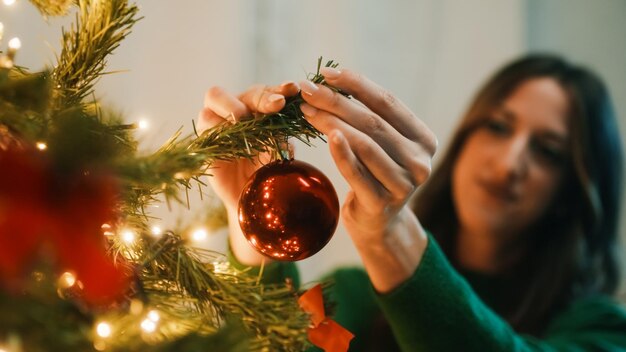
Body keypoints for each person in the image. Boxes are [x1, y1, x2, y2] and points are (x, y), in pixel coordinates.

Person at [197, 55, 626, 351]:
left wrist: (388, 235)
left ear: (573, 192)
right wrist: (250, 225)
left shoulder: (603, 332)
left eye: (547, 151)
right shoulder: (349, 297)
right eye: (497, 127)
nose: (510, 163)